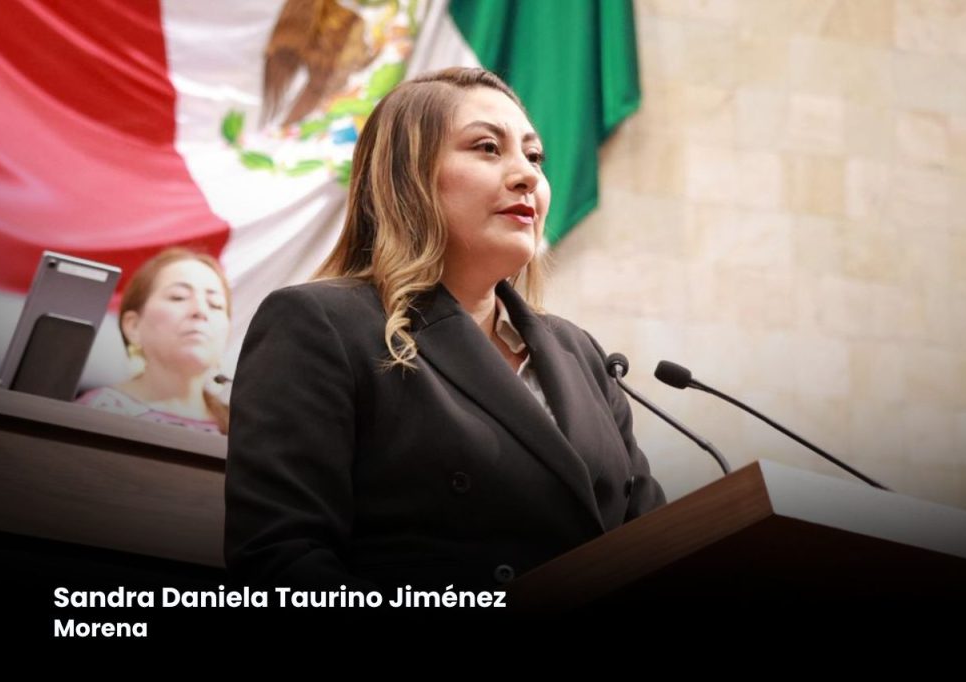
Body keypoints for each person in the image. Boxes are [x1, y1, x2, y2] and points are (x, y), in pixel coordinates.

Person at [224, 67, 665, 595]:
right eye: (486, 147)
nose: (526, 175)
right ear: (408, 177)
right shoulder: (321, 324)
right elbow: (281, 563)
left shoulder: (582, 354)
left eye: (534, 156)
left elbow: (657, 543)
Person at [76, 247, 231, 435]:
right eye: (178, 297)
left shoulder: (245, 431)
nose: (200, 311)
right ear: (133, 326)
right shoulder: (95, 414)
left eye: (215, 305)